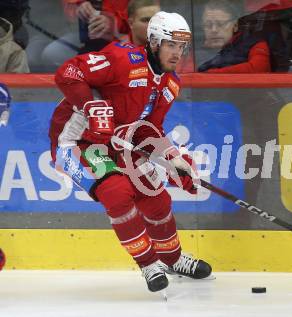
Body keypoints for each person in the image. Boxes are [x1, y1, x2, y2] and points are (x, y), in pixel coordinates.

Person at [48, 11, 211, 293]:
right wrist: (91, 105)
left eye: (182, 47)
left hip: (121, 144)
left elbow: (149, 129)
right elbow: (68, 73)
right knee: (117, 193)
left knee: (156, 198)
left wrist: (173, 161)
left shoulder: (171, 84)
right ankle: (149, 264)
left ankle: (172, 259)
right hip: (79, 143)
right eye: (171, 44)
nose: (178, 53)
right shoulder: (123, 58)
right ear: (155, 42)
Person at [196, 0, 271, 73]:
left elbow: (259, 68)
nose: (214, 30)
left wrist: (211, 73)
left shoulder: (254, 44)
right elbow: (187, 74)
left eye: (221, 24)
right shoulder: (195, 50)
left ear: (235, 26)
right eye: (208, 25)